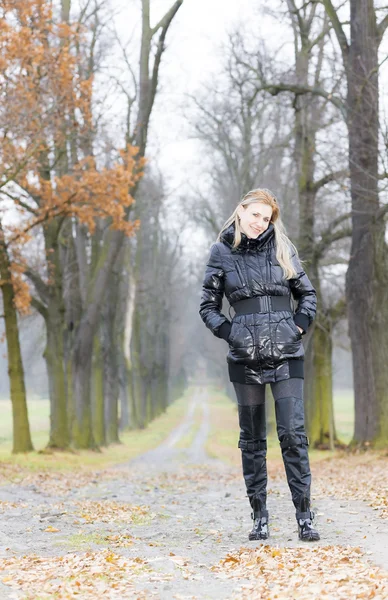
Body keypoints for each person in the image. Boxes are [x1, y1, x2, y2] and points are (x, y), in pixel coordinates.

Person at [199, 188, 320, 542]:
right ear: (241, 211)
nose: (259, 223)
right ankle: (260, 516)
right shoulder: (221, 252)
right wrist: (230, 332)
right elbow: (207, 305)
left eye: (266, 218)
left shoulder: (284, 249)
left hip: (287, 356)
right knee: (252, 441)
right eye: (255, 215)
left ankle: (304, 516)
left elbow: (307, 295)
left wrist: (298, 326)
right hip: (245, 359)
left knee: (293, 435)